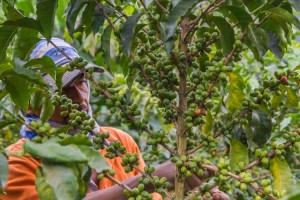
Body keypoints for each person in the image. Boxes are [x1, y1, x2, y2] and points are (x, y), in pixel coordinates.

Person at [0, 38, 229, 200]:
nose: (80, 97)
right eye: (65, 89)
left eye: (81, 82)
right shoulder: (17, 162)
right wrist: (147, 179)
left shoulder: (118, 143)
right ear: (33, 103)